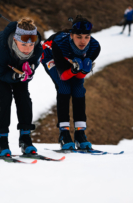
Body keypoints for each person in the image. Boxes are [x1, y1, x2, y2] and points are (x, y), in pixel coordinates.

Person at [0, 18, 43, 157]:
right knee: (4, 95)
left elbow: (34, 64)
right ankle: (2, 140)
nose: (28, 49)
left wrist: (30, 70)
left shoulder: (37, 48)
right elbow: (0, 74)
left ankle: (25, 138)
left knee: (23, 95)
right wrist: (14, 76)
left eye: (31, 44)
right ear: (15, 39)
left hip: (15, 64)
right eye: (24, 44)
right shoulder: (1, 48)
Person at [41, 15, 101, 150]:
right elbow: (63, 76)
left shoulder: (95, 47)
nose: (83, 41)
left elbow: (79, 78)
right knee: (64, 87)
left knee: (78, 88)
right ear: (72, 35)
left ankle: (80, 133)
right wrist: (74, 70)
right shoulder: (59, 43)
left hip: (71, 60)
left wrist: (84, 70)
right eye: (79, 37)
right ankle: (64, 133)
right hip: (50, 56)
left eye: (86, 37)